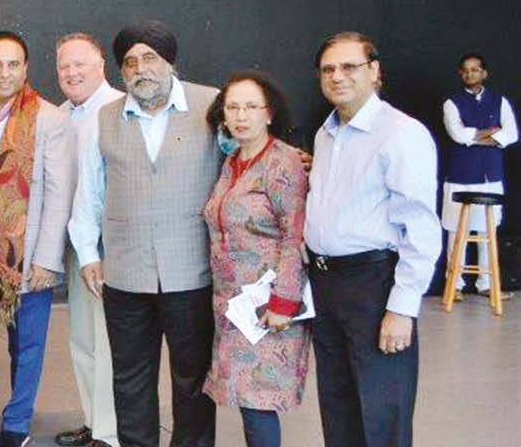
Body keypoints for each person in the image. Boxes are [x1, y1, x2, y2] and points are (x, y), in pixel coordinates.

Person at [68, 21, 221, 447]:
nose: (140, 69)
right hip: (125, 273)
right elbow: (89, 193)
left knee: (192, 381)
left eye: (150, 58)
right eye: (130, 62)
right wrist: (87, 254)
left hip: (192, 271)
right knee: (130, 379)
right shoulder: (106, 117)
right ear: (120, 72)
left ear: (170, 62)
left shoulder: (212, 105)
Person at [306, 32, 440, 447]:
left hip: (373, 284)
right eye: (328, 69)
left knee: (382, 410)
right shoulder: (325, 134)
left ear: (374, 71)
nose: (337, 76)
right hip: (326, 285)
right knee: (338, 404)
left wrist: (402, 308)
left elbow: (420, 227)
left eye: (349, 67)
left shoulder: (401, 133)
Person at [0, 32, 74, 447]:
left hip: (23, 249)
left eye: (13, 64)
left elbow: (59, 194)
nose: (4, 73)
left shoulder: (50, 117)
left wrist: (46, 260)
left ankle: (18, 423)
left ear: (25, 68)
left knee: (27, 343)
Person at [201, 71, 312, 447]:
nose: (241, 115)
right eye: (233, 107)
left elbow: (295, 235)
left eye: (251, 106)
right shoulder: (232, 161)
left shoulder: (283, 162)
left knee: (258, 401)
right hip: (233, 305)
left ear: (269, 113)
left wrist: (283, 301)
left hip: (268, 306)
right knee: (246, 399)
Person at [52, 33, 124, 447]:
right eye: (64, 66)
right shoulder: (60, 115)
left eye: (81, 64)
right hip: (75, 248)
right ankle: (93, 421)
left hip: (106, 249)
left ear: (101, 66)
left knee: (106, 343)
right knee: (80, 338)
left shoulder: (116, 111)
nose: (72, 72)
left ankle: (111, 433)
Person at [440, 52, 517, 297]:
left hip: (490, 177)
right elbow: (458, 135)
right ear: (460, 74)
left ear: (484, 73)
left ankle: (486, 284)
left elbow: (511, 134)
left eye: (475, 69)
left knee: (488, 230)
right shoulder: (451, 103)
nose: (470, 74)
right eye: (466, 70)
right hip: (460, 175)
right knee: (456, 231)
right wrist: (490, 134)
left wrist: (475, 138)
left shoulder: (499, 101)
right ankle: (455, 286)